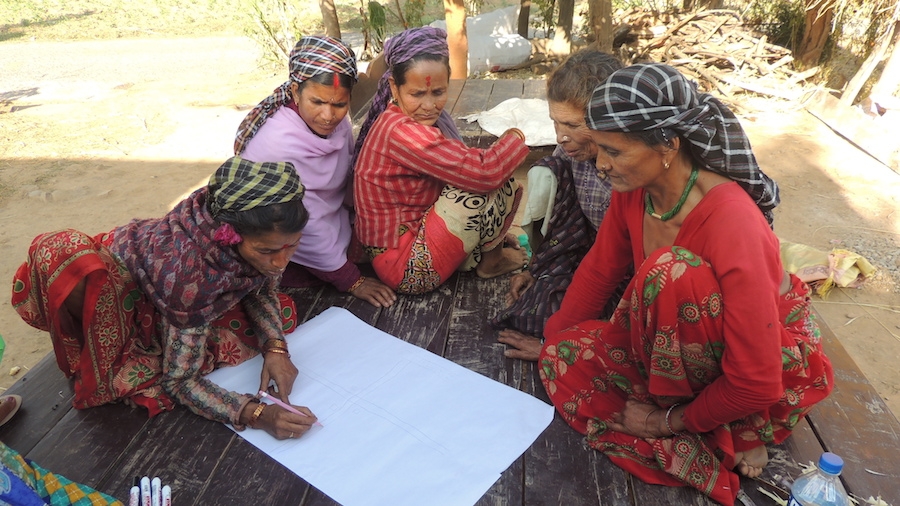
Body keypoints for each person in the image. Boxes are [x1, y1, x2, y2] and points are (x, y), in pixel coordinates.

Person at [538, 63, 833, 506]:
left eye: (614, 152)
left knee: (673, 271)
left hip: (759, 370)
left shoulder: (732, 220)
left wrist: (661, 424)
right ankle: (706, 424)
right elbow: (598, 273)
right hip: (678, 351)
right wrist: (552, 335)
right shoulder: (636, 193)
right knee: (559, 355)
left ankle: (734, 427)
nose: (601, 165)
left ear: (668, 146)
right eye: (599, 149)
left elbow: (756, 379)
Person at [12, 157, 319, 441]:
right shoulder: (191, 277)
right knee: (187, 359)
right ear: (230, 236)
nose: (281, 262)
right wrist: (256, 413)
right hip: (128, 291)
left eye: (292, 245)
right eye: (267, 251)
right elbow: (180, 382)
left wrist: (276, 348)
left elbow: (260, 287)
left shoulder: (235, 218)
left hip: (177, 293)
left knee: (260, 328)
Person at [353, 26, 530, 294]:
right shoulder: (402, 133)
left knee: (480, 171)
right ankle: (492, 261)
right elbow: (484, 172)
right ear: (394, 87)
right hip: (408, 268)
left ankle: (487, 250)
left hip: (414, 240)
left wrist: (494, 232)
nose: (429, 105)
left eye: (438, 92)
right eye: (417, 94)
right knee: (490, 179)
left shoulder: (401, 119)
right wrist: (518, 134)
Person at [234, 35, 397, 308]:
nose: (328, 115)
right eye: (317, 102)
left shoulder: (338, 123)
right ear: (296, 91)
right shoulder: (278, 145)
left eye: (339, 104)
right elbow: (304, 223)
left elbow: (348, 178)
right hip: (290, 247)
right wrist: (350, 279)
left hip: (332, 225)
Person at [492, 49, 624, 361]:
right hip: (595, 262)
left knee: (565, 331)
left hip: (635, 283)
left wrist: (557, 349)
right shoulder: (570, 155)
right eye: (555, 122)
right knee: (533, 315)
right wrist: (537, 269)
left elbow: (620, 265)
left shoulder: (631, 173)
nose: (561, 137)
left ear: (607, 117)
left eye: (573, 125)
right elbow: (572, 232)